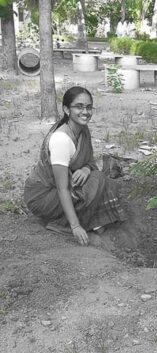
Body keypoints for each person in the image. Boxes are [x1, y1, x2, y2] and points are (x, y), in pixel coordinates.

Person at [24, 86, 127, 245]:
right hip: (43, 196)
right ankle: (63, 224)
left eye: (88, 107)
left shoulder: (83, 130)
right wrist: (75, 226)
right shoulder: (61, 140)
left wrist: (86, 169)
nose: (85, 112)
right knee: (97, 181)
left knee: (99, 176)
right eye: (79, 106)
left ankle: (89, 219)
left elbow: (90, 162)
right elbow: (61, 188)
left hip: (65, 185)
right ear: (66, 109)